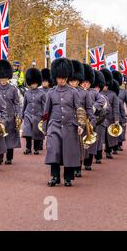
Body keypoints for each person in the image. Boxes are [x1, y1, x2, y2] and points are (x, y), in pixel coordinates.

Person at [42, 58, 82, 187]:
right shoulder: (51, 92)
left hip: (70, 126)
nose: (62, 80)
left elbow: (79, 110)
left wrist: (80, 125)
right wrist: (45, 127)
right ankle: (54, 176)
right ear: (56, 77)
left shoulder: (73, 92)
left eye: (64, 78)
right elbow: (46, 112)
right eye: (59, 78)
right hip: (54, 125)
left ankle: (68, 178)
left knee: (69, 152)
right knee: (54, 150)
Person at [68, 60, 95, 178]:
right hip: (69, 122)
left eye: (75, 80)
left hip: (81, 123)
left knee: (79, 147)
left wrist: (91, 122)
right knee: (70, 147)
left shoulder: (85, 93)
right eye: (72, 80)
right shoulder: (66, 91)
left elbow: (89, 109)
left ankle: (78, 168)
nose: (74, 82)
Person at [0, 60, 21, 165]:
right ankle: (0, 156)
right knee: (0, 137)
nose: (3, 80)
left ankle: (9, 157)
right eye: (1, 78)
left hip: (10, 116)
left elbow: (16, 103)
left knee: (10, 138)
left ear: (8, 78)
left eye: (5, 78)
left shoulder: (13, 89)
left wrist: (18, 114)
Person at [81, 64, 106, 171]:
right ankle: (77, 165)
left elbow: (102, 100)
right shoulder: (76, 91)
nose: (85, 84)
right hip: (80, 121)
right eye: (84, 82)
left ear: (90, 83)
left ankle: (88, 163)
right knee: (79, 144)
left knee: (90, 143)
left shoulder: (94, 93)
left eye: (87, 82)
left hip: (91, 121)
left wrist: (94, 107)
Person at [22, 68, 46, 155]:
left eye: (35, 83)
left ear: (37, 83)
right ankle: (28, 148)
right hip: (28, 114)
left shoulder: (42, 93)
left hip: (38, 115)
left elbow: (44, 105)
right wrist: (22, 115)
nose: (33, 85)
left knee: (36, 132)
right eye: (32, 83)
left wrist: (44, 116)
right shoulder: (27, 93)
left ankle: (36, 148)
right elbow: (24, 104)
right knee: (27, 131)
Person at [100, 68, 120, 160]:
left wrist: (116, 119)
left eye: (106, 85)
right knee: (100, 136)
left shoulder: (113, 94)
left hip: (110, 118)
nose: (104, 86)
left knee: (109, 137)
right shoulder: (98, 93)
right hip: (100, 118)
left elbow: (116, 107)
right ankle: (98, 154)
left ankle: (108, 151)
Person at [112, 71, 126, 153]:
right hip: (113, 113)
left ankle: (119, 144)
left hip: (121, 113)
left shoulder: (123, 91)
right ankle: (114, 145)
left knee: (121, 130)